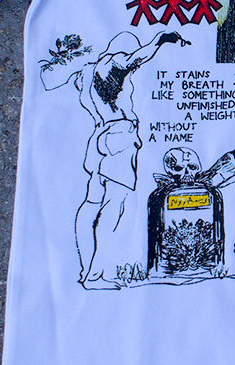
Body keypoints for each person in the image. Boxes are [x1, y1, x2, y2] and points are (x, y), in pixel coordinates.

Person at [41, 30, 190, 287]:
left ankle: (86, 270)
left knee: (91, 204)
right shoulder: (114, 62)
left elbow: (50, 81)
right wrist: (160, 40)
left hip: (99, 136)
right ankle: (97, 274)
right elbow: (133, 59)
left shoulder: (86, 73)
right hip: (120, 136)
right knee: (114, 205)